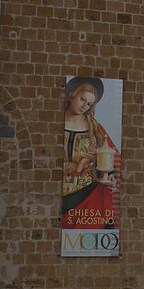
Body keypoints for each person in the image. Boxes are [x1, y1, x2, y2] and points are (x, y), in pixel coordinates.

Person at [62, 76, 121, 229]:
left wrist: (112, 178)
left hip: (89, 193)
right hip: (61, 193)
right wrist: (76, 167)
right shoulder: (56, 122)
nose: (84, 106)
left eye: (89, 104)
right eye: (82, 99)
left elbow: (108, 156)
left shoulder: (93, 126)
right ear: (72, 94)